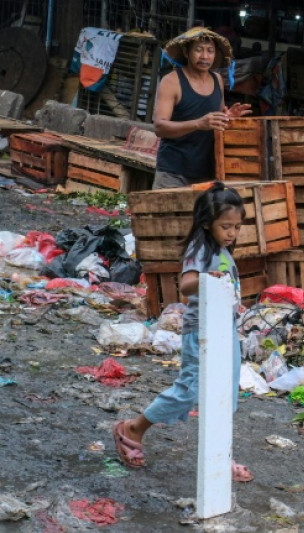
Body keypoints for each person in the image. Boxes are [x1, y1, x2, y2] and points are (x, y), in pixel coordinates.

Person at [112, 181, 253, 482]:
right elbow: (187, 285)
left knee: (226, 395)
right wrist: (207, 277)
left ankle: (221, 453)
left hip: (225, 329)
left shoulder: (223, 250)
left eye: (237, 227)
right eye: (226, 226)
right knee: (190, 391)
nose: (232, 233)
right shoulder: (200, 248)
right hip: (201, 330)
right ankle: (132, 429)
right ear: (207, 223)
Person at [153, 27, 252, 190]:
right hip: (173, 173)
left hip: (207, 173)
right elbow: (159, 127)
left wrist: (227, 118)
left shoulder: (217, 79)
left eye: (210, 51)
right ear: (186, 52)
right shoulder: (171, 81)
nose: (205, 56)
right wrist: (198, 124)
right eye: (198, 50)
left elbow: (216, 120)